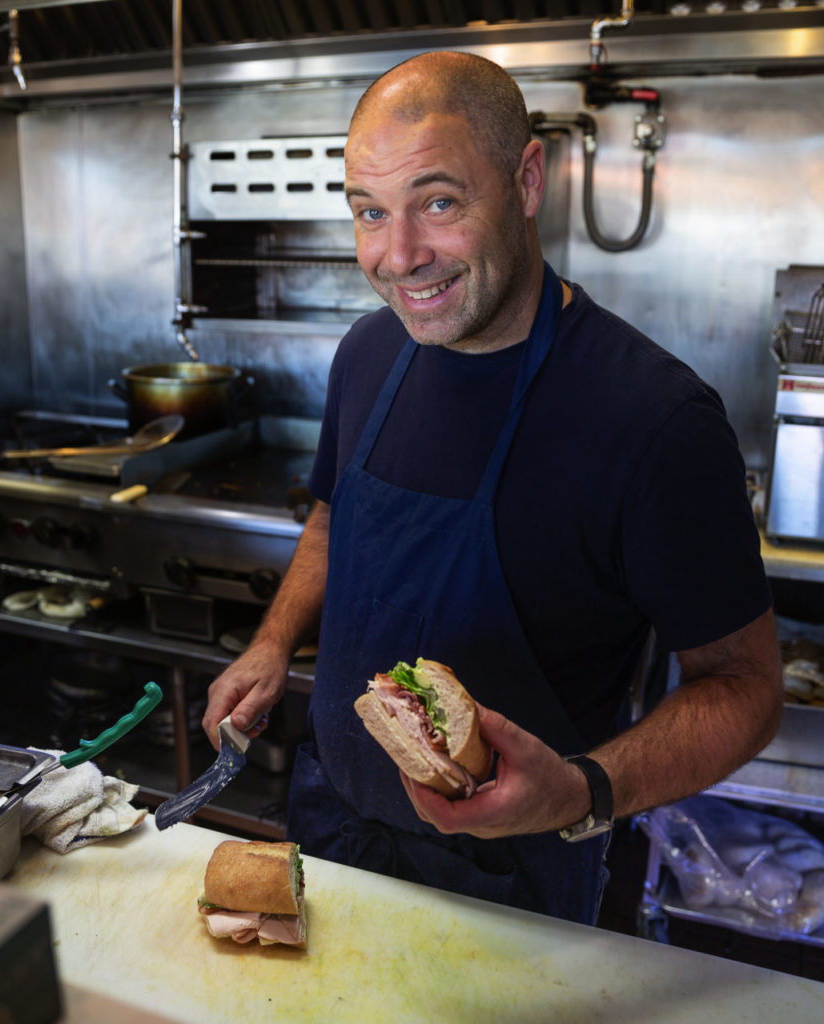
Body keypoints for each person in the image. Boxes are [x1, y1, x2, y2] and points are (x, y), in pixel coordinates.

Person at [203, 50, 782, 924]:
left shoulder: (656, 420)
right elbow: (335, 517)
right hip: (334, 829)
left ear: (525, 180)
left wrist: (581, 791)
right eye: (370, 212)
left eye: (438, 203)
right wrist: (273, 642)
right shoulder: (368, 353)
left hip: (519, 882)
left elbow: (747, 690)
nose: (400, 257)